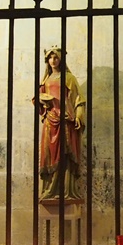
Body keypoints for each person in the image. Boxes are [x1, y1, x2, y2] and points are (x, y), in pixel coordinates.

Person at [35, 46, 85, 200]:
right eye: (50, 58)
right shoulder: (46, 80)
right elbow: (38, 98)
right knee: (50, 154)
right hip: (50, 121)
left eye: (56, 57)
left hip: (66, 120)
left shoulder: (69, 78)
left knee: (65, 155)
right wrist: (41, 100)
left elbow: (79, 99)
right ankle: (51, 190)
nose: (53, 60)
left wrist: (79, 115)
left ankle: (66, 191)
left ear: (61, 59)